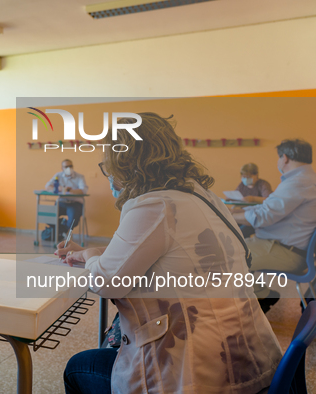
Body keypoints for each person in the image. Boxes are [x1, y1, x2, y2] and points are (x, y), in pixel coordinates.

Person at [57, 113, 281, 394]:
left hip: (201, 374)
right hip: (251, 360)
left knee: (78, 368)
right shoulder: (200, 194)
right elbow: (167, 251)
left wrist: (91, 255)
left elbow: (106, 282)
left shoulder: (154, 204)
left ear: (123, 161)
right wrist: (96, 253)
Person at [233, 139, 316, 311]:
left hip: (284, 251)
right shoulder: (306, 179)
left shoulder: (297, 183)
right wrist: (235, 214)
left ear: (284, 158)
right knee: (229, 249)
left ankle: (261, 294)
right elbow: (268, 207)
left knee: (223, 257)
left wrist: (227, 215)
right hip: (284, 247)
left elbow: (263, 217)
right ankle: (258, 296)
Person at [45, 159, 88, 238]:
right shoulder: (58, 175)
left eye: (70, 166)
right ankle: (63, 229)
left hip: (74, 203)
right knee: (48, 217)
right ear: (62, 168)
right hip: (61, 202)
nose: (69, 168)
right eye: (66, 166)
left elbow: (83, 190)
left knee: (72, 222)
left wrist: (70, 190)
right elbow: (48, 186)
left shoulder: (80, 177)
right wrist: (60, 188)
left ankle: (61, 230)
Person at [235, 163, 272, 238]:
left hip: (256, 216)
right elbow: (236, 195)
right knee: (231, 226)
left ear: (256, 175)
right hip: (243, 213)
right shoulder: (242, 185)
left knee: (241, 233)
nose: (246, 179)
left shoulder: (263, 184)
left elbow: (269, 200)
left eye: (248, 176)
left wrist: (253, 199)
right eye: (244, 176)